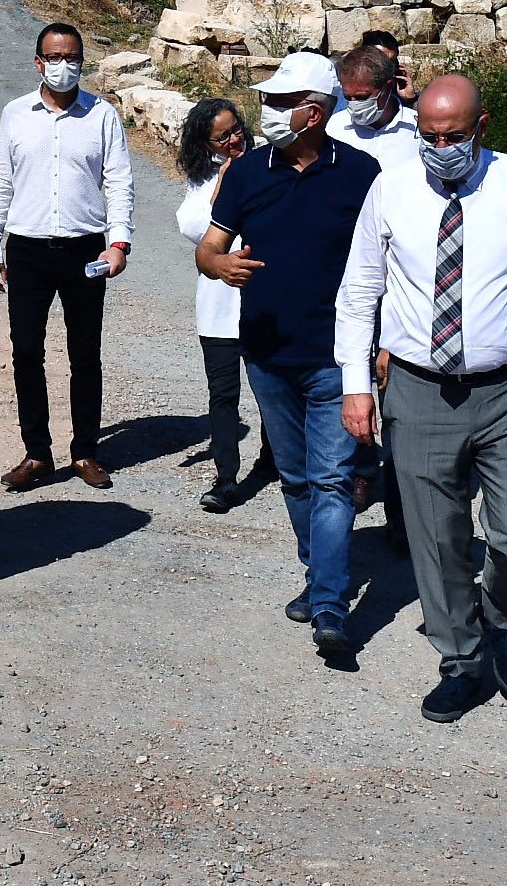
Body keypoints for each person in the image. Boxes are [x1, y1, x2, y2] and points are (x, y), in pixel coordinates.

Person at [338, 71, 507, 722]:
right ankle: (460, 657)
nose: (438, 147)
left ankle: (503, 618)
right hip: (418, 391)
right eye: (426, 135)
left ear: (481, 129)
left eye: (451, 136)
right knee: (437, 537)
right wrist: (355, 386)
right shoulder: (391, 189)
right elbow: (359, 292)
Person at [195, 49, 382, 661]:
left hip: (336, 356)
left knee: (331, 479)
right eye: (267, 101)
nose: (266, 112)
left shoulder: (363, 174)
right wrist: (220, 264)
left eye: (279, 102)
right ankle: (317, 573)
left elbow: (391, 263)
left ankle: (329, 602)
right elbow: (209, 249)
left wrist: (378, 346)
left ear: (315, 112)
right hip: (267, 352)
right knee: (297, 477)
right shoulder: (247, 173)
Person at [0, 21, 134, 492]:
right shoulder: (15, 114)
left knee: (85, 352)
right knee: (26, 352)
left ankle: (86, 451)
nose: (62, 66)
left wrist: (119, 242)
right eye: (54, 57)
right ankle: (37, 454)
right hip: (26, 248)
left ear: (82, 62)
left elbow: (119, 181)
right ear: (38, 62)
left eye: (71, 58)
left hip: (85, 249)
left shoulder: (102, 115)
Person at [330, 43, 417, 542]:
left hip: (399, 285)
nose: (353, 103)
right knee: (346, 384)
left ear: (388, 90)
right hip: (345, 281)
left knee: (398, 402)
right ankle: (358, 472)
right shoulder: (336, 131)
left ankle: (403, 521)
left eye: (362, 95)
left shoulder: (414, 137)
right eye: (347, 95)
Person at [174, 95, 254, 513]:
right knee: (223, 394)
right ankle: (226, 478)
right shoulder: (203, 181)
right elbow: (192, 228)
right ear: (206, 144)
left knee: (273, 391)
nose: (234, 139)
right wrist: (223, 185)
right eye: (222, 137)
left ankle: (278, 460)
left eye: (236, 129)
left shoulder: (268, 165)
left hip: (265, 301)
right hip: (219, 308)